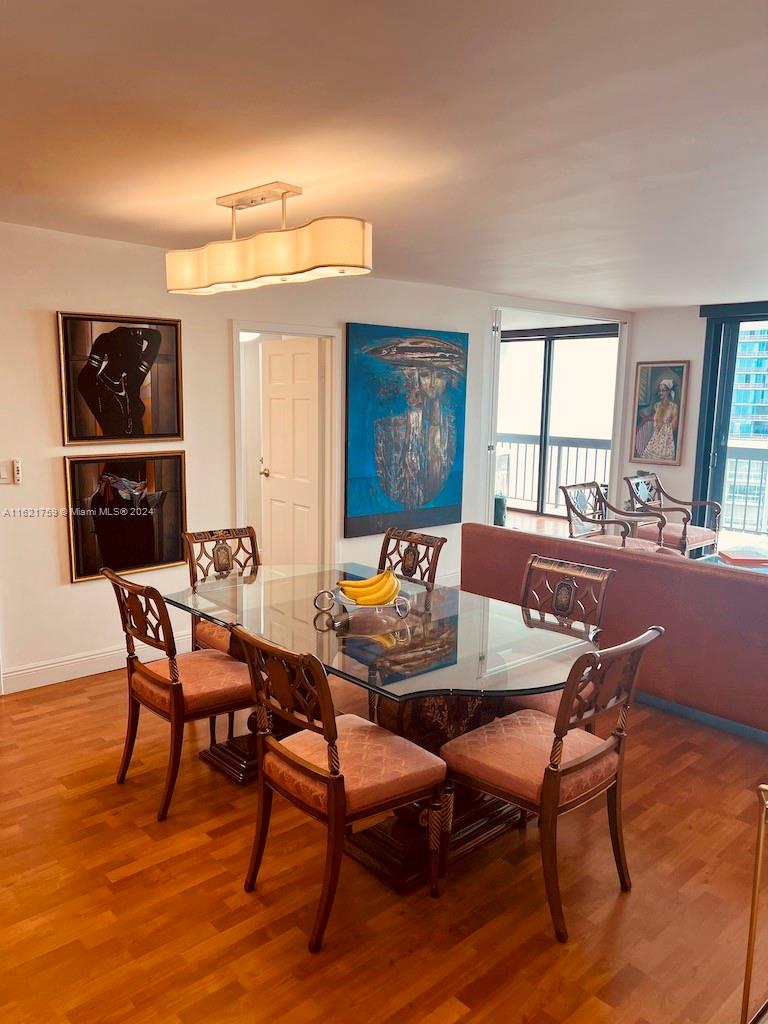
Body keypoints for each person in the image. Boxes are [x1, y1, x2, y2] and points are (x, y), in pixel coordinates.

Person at [637, 378, 679, 461]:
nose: (661, 393)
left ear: (669, 392)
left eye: (663, 390)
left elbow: (674, 427)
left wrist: (666, 426)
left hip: (666, 441)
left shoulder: (673, 407)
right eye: (660, 391)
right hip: (655, 440)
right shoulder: (656, 406)